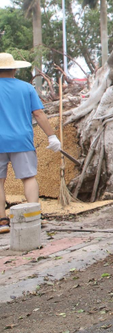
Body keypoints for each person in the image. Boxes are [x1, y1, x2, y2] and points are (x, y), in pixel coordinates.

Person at [0, 53, 61, 233]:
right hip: (21, 140)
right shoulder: (26, 88)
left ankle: (2, 221)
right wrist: (52, 136)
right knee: (28, 177)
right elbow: (39, 114)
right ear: (15, 69)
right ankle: (33, 217)